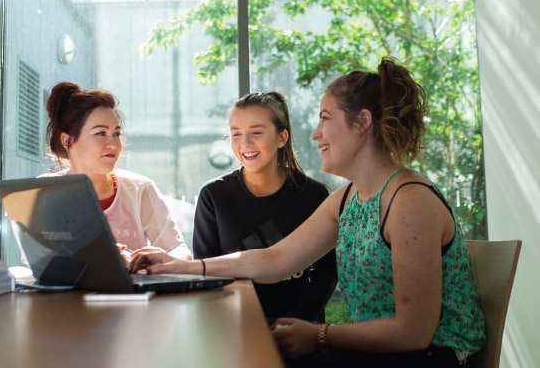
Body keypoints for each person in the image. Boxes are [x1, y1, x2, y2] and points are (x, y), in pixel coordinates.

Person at [128, 57, 486, 367]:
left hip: (430, 360)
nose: (315, 134)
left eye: (325, 119)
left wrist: (320, 335)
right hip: (383, 356)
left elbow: (414, 332)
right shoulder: (347, 199)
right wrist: (177, 266)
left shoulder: (409, 200)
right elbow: (274, 260)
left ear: (362, 122)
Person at [193, 91, 338, 323]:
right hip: (235, 327)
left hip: (300, 332)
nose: (245, 143)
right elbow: (206, 270)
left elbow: (327, 273)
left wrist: (296, 324)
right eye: (236, 134)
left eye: (257, 133)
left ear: (282, 138)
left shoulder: (314, 196)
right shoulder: (213, 195)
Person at [40, 81, 192, 261]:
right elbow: (40, 261)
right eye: (100, 133)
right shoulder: (44, 192)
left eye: (116, 134)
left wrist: (159, 259)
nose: (113, 144)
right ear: (67, 141)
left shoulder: (140, 189)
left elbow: (180, 251)